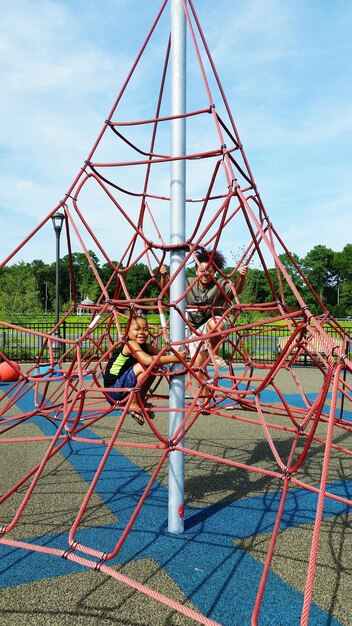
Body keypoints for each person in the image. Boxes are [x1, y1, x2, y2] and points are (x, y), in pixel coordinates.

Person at [160, 249, 248, 391]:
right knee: (198, 367)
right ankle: (205, 396)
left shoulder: (219, 284)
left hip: (212, 325)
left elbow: (236, 291)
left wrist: (242, 277)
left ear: (215, 272)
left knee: (216, 323)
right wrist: (164, 276)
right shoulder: (187, 282)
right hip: (193, 328)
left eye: (210, 271)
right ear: (196, 271)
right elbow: (168, 292)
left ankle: (214, 352)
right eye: (202, 271)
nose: (206, 274)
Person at [103, 315, 187, 425]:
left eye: (145, 329)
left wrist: (180, 356)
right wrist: (175, 358)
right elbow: (147, 360)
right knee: (145, 365)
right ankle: (133, 403)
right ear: (127, 332)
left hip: (124, 388)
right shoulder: (129, 344)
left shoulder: (146, 346)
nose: (142, 332)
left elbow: (164, 355)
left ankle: (140, 400)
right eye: (137, 329)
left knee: (155, 365)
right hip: (113, 391)